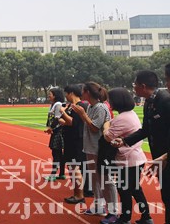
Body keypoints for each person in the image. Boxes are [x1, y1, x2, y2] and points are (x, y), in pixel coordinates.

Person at [114, 68, 170, 224]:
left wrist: (165, 156)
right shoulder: (149, 103)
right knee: (166, 194)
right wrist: (124, 141)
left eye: (135, 85)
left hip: (166, 157)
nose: (133, 88)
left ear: (143, 86)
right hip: (160, 159)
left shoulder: (165, 101)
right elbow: (145, 130)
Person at [103, 87, 152, 224]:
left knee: (124, 189)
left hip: (128, 159)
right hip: (135, 157)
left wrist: (106, 125)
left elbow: (108, 136)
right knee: (135, 189)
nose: (109, 102)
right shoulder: (130, 114)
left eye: (110, 99)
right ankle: (146, 217)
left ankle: (125, 218)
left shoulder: (122, 118)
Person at [71, 81, 118, 219]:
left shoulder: (100, 107)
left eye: (83, 91)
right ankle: (98, 205)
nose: (81, 93)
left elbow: (94, 128)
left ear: (88, 92)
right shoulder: (91, 107)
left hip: (100, 149)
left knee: (106, 179)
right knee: (94, 178)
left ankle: (113, 210)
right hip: (90, 147)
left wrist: (82, 114)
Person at [59, 84, 87, 205]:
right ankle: (76, 194)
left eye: (66, 94)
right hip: (70, 140)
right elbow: (68, 121)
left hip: (76, 141)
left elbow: (72, 122)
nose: (65, 96)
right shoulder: (72, 106)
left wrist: (62, 112)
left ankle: (80, 195)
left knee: (75, 168)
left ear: (71, 93)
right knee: (71, 168)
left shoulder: (80, 106)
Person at [44, 87, 65, 181]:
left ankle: (53, 175)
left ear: (55, 95)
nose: (49, 95)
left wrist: (51, 128)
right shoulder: (53, 104)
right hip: (55, 131)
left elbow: (57, 118)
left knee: (56, 153)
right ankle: (61, 173)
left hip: (58, 132)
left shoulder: (58, 104)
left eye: (50, 94)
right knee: (59, 153)